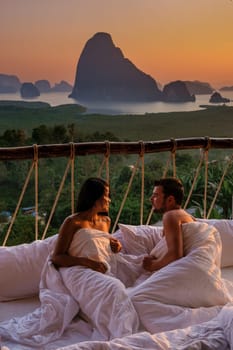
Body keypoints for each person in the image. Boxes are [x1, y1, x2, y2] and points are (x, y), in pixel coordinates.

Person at [52, 177, 122, 273]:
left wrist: (115, 247)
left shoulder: (106, 221)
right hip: (82, 270)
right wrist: (87, 262)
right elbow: (57, 258)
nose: (109, 200)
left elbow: (99, 247)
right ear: (94, 198)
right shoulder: (73, 222)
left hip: (105, 268)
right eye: (106, 195)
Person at [142, 177, 194, 272]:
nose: (151, 199)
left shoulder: (170, 215)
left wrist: (152, 266)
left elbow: (175, 255)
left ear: (170, 200)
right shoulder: (185, 216)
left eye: (156, 195)